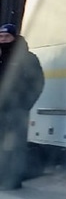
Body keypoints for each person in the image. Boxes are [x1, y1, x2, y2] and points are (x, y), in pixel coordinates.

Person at [0, 23, 45, 190]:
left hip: (16, 110)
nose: (3, 40)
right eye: (1, 37)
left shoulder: (27, 58)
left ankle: (13, 180)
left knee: (15, 146)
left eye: (7, 37)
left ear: (14, 38)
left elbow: (38, 83)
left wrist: (25, 105)